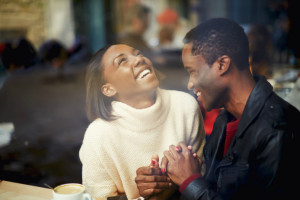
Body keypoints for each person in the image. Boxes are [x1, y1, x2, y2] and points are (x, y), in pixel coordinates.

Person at [135, 18, 300, 200]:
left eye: (193, 71)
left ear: (222, 64)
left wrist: (190, 181)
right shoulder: (225, 119)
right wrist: (168, 185)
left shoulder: (278, 129)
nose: (190, 84)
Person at [79, 44, 206, 199]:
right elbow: (98, 197)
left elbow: (204, 176)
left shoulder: (185, 105)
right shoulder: (98, 135)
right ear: (108, 89)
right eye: (122, 61)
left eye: (138, 53)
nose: (139, 59)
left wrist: (175, 181)